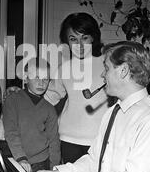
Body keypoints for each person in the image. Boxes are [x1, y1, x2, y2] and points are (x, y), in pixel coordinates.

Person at [29, 41, 150, 172]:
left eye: (106, 68)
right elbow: (94, 160)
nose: (102, 74)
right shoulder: (114, 111)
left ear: (123, 71)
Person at [44, 12, 109, 163]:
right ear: (67, 41)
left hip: (100, 140)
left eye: (84, 38)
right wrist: (24, 96)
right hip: (68, 140)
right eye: (73, 39)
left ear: (93, 37)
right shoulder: (64, 68)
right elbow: (48, 100)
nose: (79, 45)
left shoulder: (107, 63)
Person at [2, 58, 61, 172]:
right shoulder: (12, 100)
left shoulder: (49, 108)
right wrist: (21, 158)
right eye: (37, 77)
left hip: (41, 162)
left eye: (45, 79)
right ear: (25, 77)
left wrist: (54, 169)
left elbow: (54, 141)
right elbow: (11, 132)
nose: (41, 83)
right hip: (17, 160)